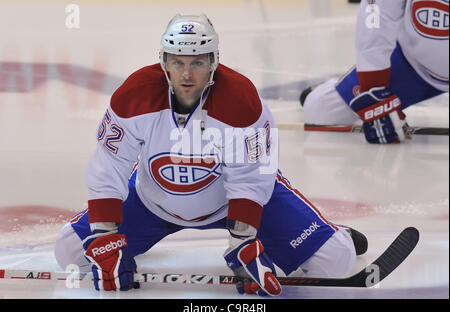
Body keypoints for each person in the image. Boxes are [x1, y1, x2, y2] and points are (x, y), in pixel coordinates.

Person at [54, 14, 366, 296]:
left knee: (335, 261)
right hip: (154, 200)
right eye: (177, 62)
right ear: (163, 61)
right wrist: (105, 237)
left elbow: (252, 176)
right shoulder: (133, 95)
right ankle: (127, 247)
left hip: (229, 201)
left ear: (214, 61)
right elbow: (110, 163)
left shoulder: (242, 100)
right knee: (70, 251)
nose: (186, 74)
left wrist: (243, 240)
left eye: (197, 62)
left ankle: (327, 234)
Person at [300, 0, 448, 144]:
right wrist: (373, 91)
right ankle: (337, 88)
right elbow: (376, 18)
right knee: (321, 110)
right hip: (412, 65)